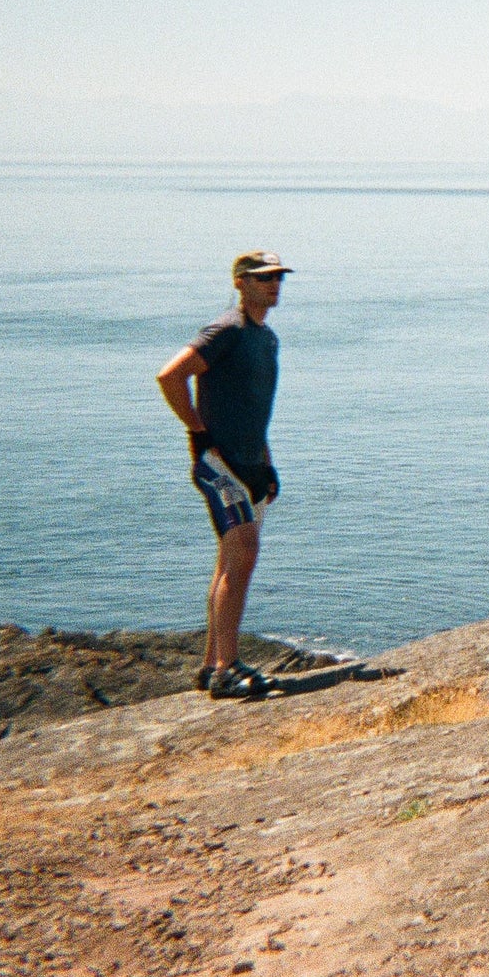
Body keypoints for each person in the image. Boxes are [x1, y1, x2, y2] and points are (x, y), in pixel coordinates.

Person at [157, 251, 288, 699]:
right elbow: (171, 376)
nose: (274, 285)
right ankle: (227, 670)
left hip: (250, 463)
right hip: (220, 464)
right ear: (240, 282)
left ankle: (213, 663)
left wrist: (266, 464)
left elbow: (256, 409)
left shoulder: (265, 337)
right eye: (263, 278)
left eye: (277, 278)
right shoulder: (227, 330)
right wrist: (197, 431)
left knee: (230, 560)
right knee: (245, 552)